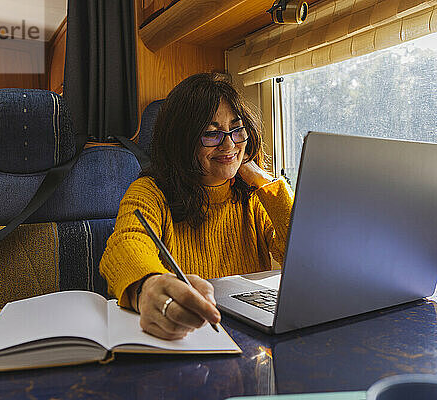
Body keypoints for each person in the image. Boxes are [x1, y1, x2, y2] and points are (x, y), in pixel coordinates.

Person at [100, 73, 294, 340]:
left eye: (237, 130)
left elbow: (300, 257)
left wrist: (265, 182)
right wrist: (148, 286)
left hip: (252, 334)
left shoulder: (254, 194)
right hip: (188, 334)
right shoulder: (150, 191)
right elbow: (124, 245)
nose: (229, 145)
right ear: (182, 141)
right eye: (211, 134)